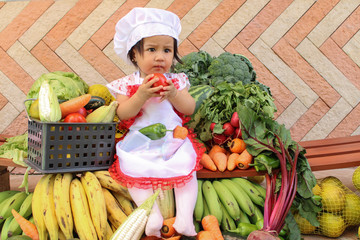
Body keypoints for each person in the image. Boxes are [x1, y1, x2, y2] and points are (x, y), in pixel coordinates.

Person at [106, 7, 204, 238]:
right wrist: (140, 95)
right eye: (151, 49)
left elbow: (189, 108)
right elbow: (123, 113)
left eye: (167, 50)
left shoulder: (176, 81)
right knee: (134, 172)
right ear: (134, 55)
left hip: (173, 138)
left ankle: (184, 219)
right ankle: (152, 215)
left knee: (187, 170)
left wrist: (174, 94)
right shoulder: (127, 84)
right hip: (141, 140)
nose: (160, 56)